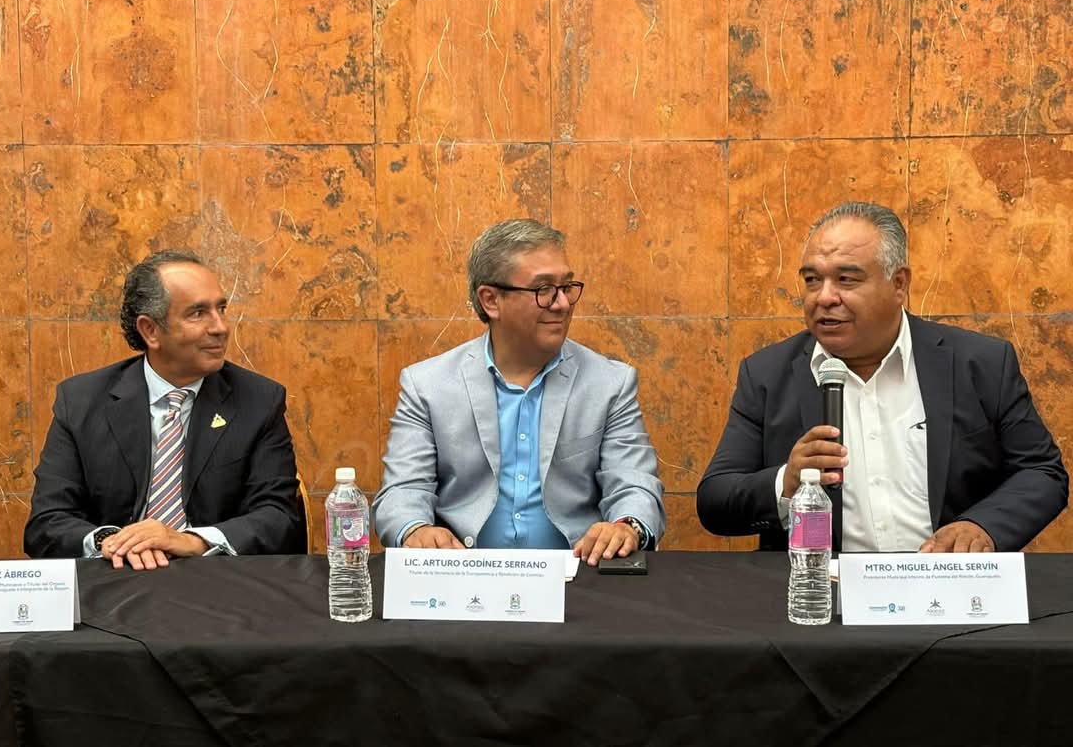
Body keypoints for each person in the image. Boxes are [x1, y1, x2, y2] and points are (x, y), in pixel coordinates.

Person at [697, 202, 1067, 553]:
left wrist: (982, 526)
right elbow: (715, 500)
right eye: (812, 280)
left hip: (945, 580)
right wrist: (787, 481)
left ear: (899, 284)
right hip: (824, 586)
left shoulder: (980, 363)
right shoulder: (767, 374)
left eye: (846, 279)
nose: (824, 297)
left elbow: (1041, 471)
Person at [373, 219, 665, 565]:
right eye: (544, 289)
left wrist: (627, 525)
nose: (562, 304)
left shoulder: (610, 383)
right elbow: (403, 490)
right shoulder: (427, 385)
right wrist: (415, 529)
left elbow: (634, 484)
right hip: (463, 575)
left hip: (577, 575)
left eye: (566, 286)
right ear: (491, 300)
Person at [25, 250, 305, 569]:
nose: (221, 327)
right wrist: (113, 542)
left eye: (221, 309)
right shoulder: (81, 401)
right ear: (150, 330)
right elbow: (47, 522)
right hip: (114, 580)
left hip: (217, 581)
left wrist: (191, 541)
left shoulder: (259, 400)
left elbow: (279, 517)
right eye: (198, 313)